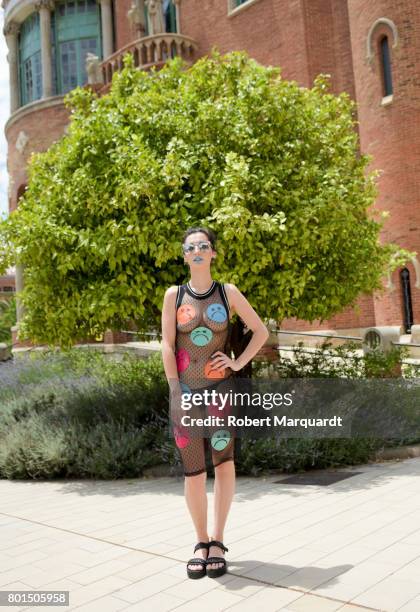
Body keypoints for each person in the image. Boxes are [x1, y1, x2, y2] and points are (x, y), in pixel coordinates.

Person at [161, 226, 269, 579]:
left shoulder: (228, 292)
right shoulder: (173, 296)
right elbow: (167, 345)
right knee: (193, 472)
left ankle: (219, 541)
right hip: (187, 395)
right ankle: (200, 541)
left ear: (213, 253)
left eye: (203, 245)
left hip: (221, 394)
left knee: (223, 464)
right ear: (184, 253)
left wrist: (237, 363)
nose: (197, 250)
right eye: (190, 246)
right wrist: (175, 390)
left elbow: (261, 331)